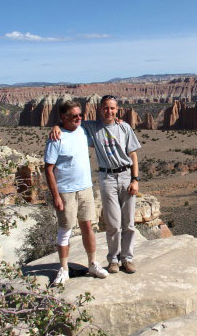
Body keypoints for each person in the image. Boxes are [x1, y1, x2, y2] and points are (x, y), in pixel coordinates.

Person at [52, 95, 141, 274]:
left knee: (128, 223)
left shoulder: (124, 128)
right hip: (106, 177)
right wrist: (56, 126)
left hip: (126, 175)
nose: (109, 111)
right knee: (113, 223)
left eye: (112, 108)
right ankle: (113, 259)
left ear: (117, 110)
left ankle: (127, 258)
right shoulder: (91, 127)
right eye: (106, 108)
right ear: (100, 109)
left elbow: (133, 155)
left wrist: (135, 179)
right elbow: (71, 123)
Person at [44, 100, 109, 286]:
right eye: (74, 116)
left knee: (87, 226)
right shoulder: (55, 138)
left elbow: (104, 126)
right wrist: (55, 196)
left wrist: (118, 121)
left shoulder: (82, 131)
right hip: (65, 191)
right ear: (63, 117)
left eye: (81, 115)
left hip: (85, 187)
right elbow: (48, 169)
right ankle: (63, 269)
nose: (79, 118)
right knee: (65, 230)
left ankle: (92, 264)